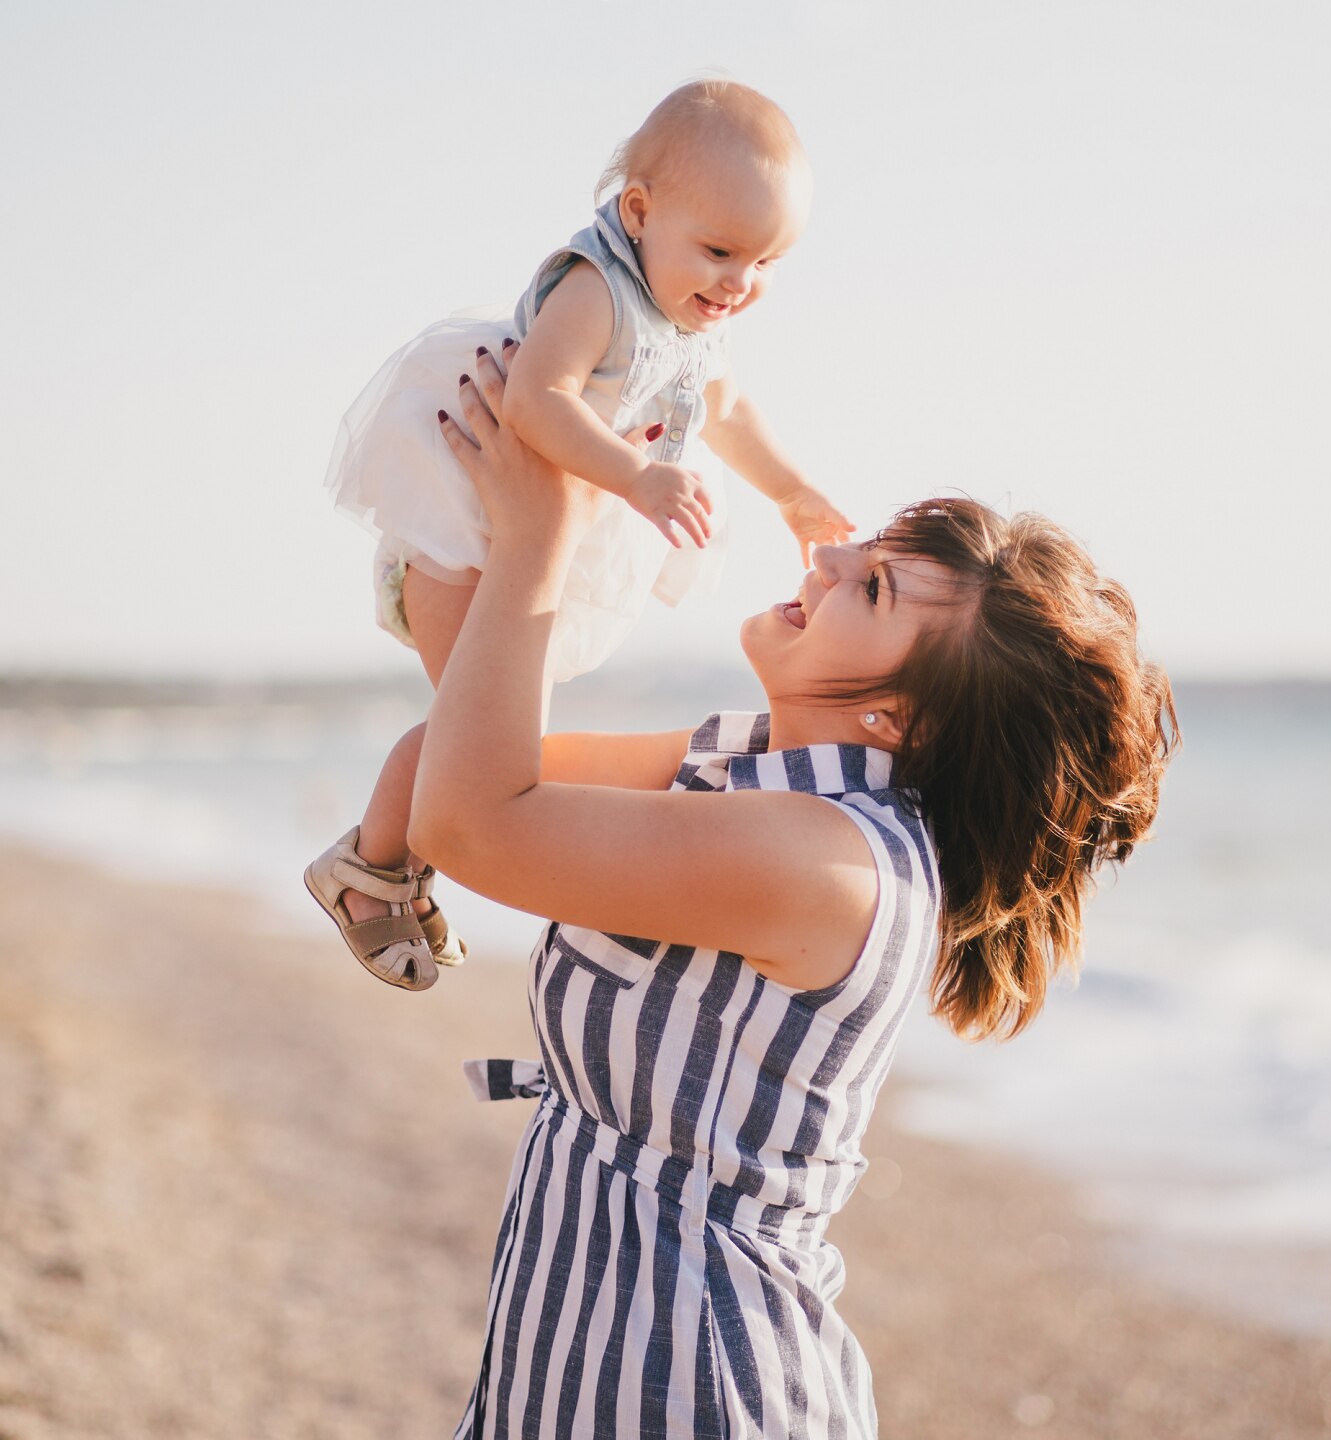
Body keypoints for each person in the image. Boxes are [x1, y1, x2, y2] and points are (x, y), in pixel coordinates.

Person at [407, 349, 1178, 1439]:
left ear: (902, 721)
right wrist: (476, 517)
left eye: (871, 585)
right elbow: (484, 748)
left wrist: (541, 533)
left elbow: (468, 823)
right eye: (866, 546)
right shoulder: (754, 767)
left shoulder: (829, 861)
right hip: (581, 1352)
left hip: (688, 1385)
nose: (827, 559)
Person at [307, 80, 852, 992]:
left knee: (486, 736)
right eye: (719, 251)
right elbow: (535, 399)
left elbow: (732, 411)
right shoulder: (599, 287)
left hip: (542, 526)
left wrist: (793, 494)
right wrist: (638, 476)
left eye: (764, 263)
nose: (739, 284)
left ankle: (391, 862)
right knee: (478, 737)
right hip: (469, 518)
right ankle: (368, 873)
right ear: (639, 210)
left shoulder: (691, 319)